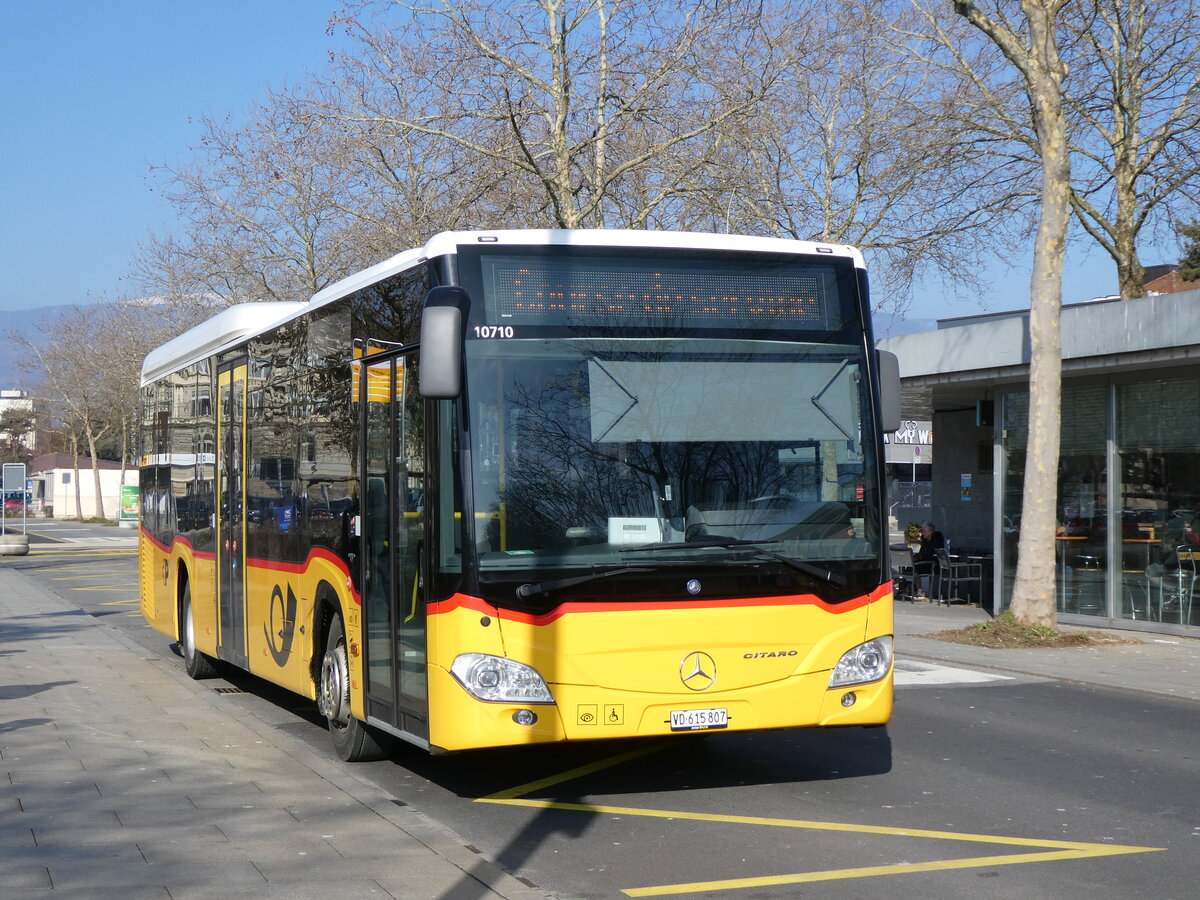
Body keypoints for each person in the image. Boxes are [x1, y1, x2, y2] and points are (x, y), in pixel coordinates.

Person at [913, 520, 945, 600]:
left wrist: (921, 557)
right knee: (910, 565)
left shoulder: (937, 538)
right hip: (926, 562)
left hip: (934, 564)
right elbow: (922, 552)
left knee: (915, 567)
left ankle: (919, 591)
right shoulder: (925, 540)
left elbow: (932, 553)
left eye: (923, 531)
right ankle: (909, 589)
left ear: (930, 532)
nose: (922, 533)